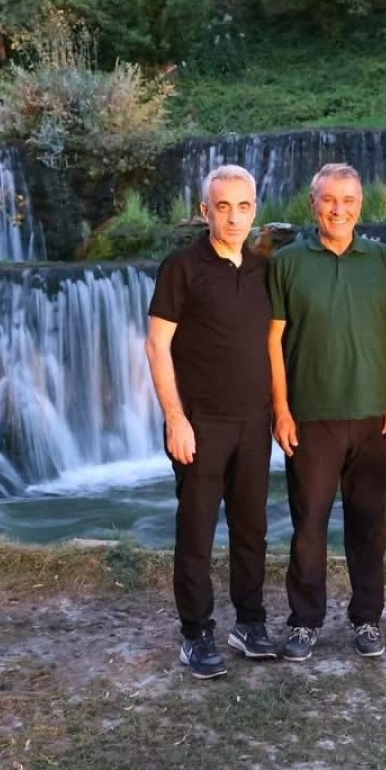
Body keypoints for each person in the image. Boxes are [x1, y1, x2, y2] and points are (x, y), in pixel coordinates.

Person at [268, 163, 386, 662]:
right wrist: (280, 410)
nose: (338, 209)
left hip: (374, 416)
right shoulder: (286, 262)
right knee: (309, 524)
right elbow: (272, 341)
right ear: (313, 203)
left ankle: (367, 618)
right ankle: (305, 620)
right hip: (311, 416)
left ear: (360, 205)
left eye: (348, 200)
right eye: (329, 199)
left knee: (369, 524)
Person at [145, 164, 278, 680]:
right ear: (205, 212)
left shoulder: (263, 269)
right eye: (223, 207)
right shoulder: (181, 268)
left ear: (254, 211)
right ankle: (195, 633)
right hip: (200, 424)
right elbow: (157, 346)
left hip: (254, 422)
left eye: (243, 207)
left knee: (252, 528)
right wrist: (175, 419)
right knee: (197, 531)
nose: (234, 218)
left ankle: (250, 622)